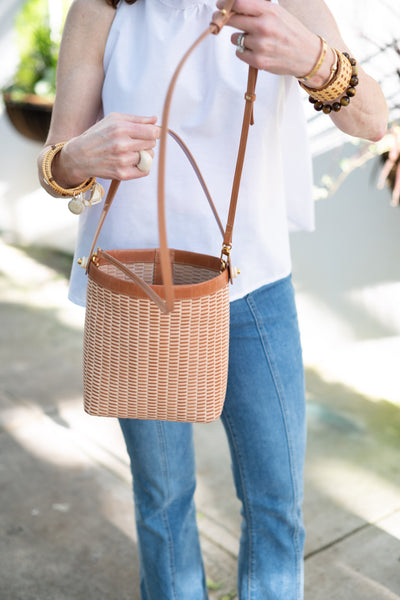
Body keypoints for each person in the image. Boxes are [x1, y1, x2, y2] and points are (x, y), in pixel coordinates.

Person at [38, 0, 388, 598]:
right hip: (136, 293)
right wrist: (78, 157)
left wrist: (311, 58)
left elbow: (372, 121)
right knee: (162, 500)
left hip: (253, 287)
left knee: (277, 502)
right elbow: (57, 165)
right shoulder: (102, 8)